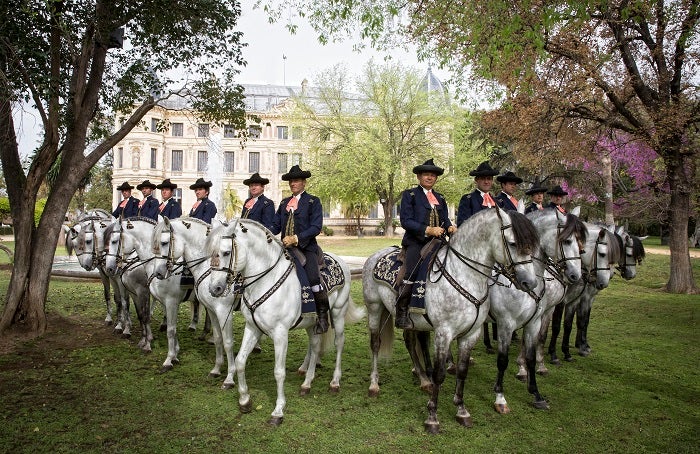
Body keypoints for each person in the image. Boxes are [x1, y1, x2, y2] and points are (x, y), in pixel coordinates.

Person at [395, 158, 456, 329]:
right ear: (419, 177)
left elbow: (444, 218)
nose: (429, 178)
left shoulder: (440, 197)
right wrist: (428, 230)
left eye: (432, 175)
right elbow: (406, 221)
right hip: (416, 242)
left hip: (439, 242)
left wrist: (450, 226)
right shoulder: (410, 195)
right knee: (412, 271)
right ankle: (402, 310)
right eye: (426, 175)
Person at [270, 164, 328, 334]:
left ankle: (323, 316)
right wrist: (263, 232)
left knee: (313, 279)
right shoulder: (284, 203)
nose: (292, 184)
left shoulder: (313, 201)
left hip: (306, 248)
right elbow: (275, 225)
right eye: (290, 181)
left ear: (304, 182)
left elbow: (316, 227)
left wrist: (296, 238)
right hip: (284, 248)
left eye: (296, 181)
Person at [456, 161, 499, 226]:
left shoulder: (497, 202)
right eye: (483, 179)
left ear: (492, 181)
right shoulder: (468, 200)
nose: (486, 182)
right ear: (476, 180)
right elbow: (462, 224)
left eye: (489, 179)